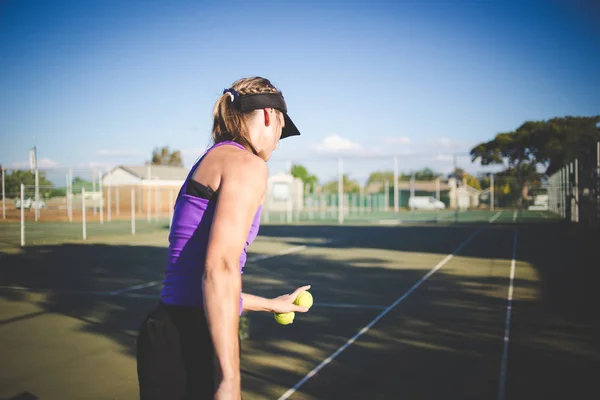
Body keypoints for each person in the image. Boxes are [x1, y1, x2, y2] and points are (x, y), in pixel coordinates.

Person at [136, 77, 310, 400]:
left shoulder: (211, 158)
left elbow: (197, 284)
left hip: (164, 331)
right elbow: (220, 268)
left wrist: (270, 304)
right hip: (192, 339)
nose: (278, 142)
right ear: (269, 116)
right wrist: (228, 377)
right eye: (280, 130)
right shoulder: (249, 165)